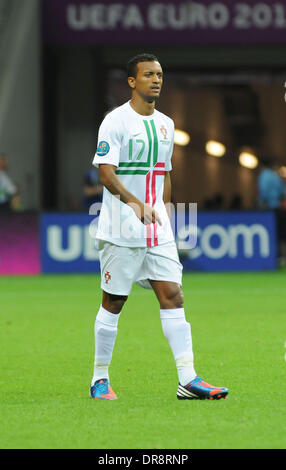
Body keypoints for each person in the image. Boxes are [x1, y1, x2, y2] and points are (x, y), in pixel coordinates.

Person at [90, 53, 229, 401]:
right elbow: (105, 173)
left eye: (160, 75)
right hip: (121, 228)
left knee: (173, 295)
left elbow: (164, 173)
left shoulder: (167, 124)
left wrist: (163, 211)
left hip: (157, 229)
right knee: (114, 301)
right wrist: (134, 203)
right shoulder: (115, 122)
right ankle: (99, 379)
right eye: (148, 74)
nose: (156, 80)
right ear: (132, 82)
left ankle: (188, 379)